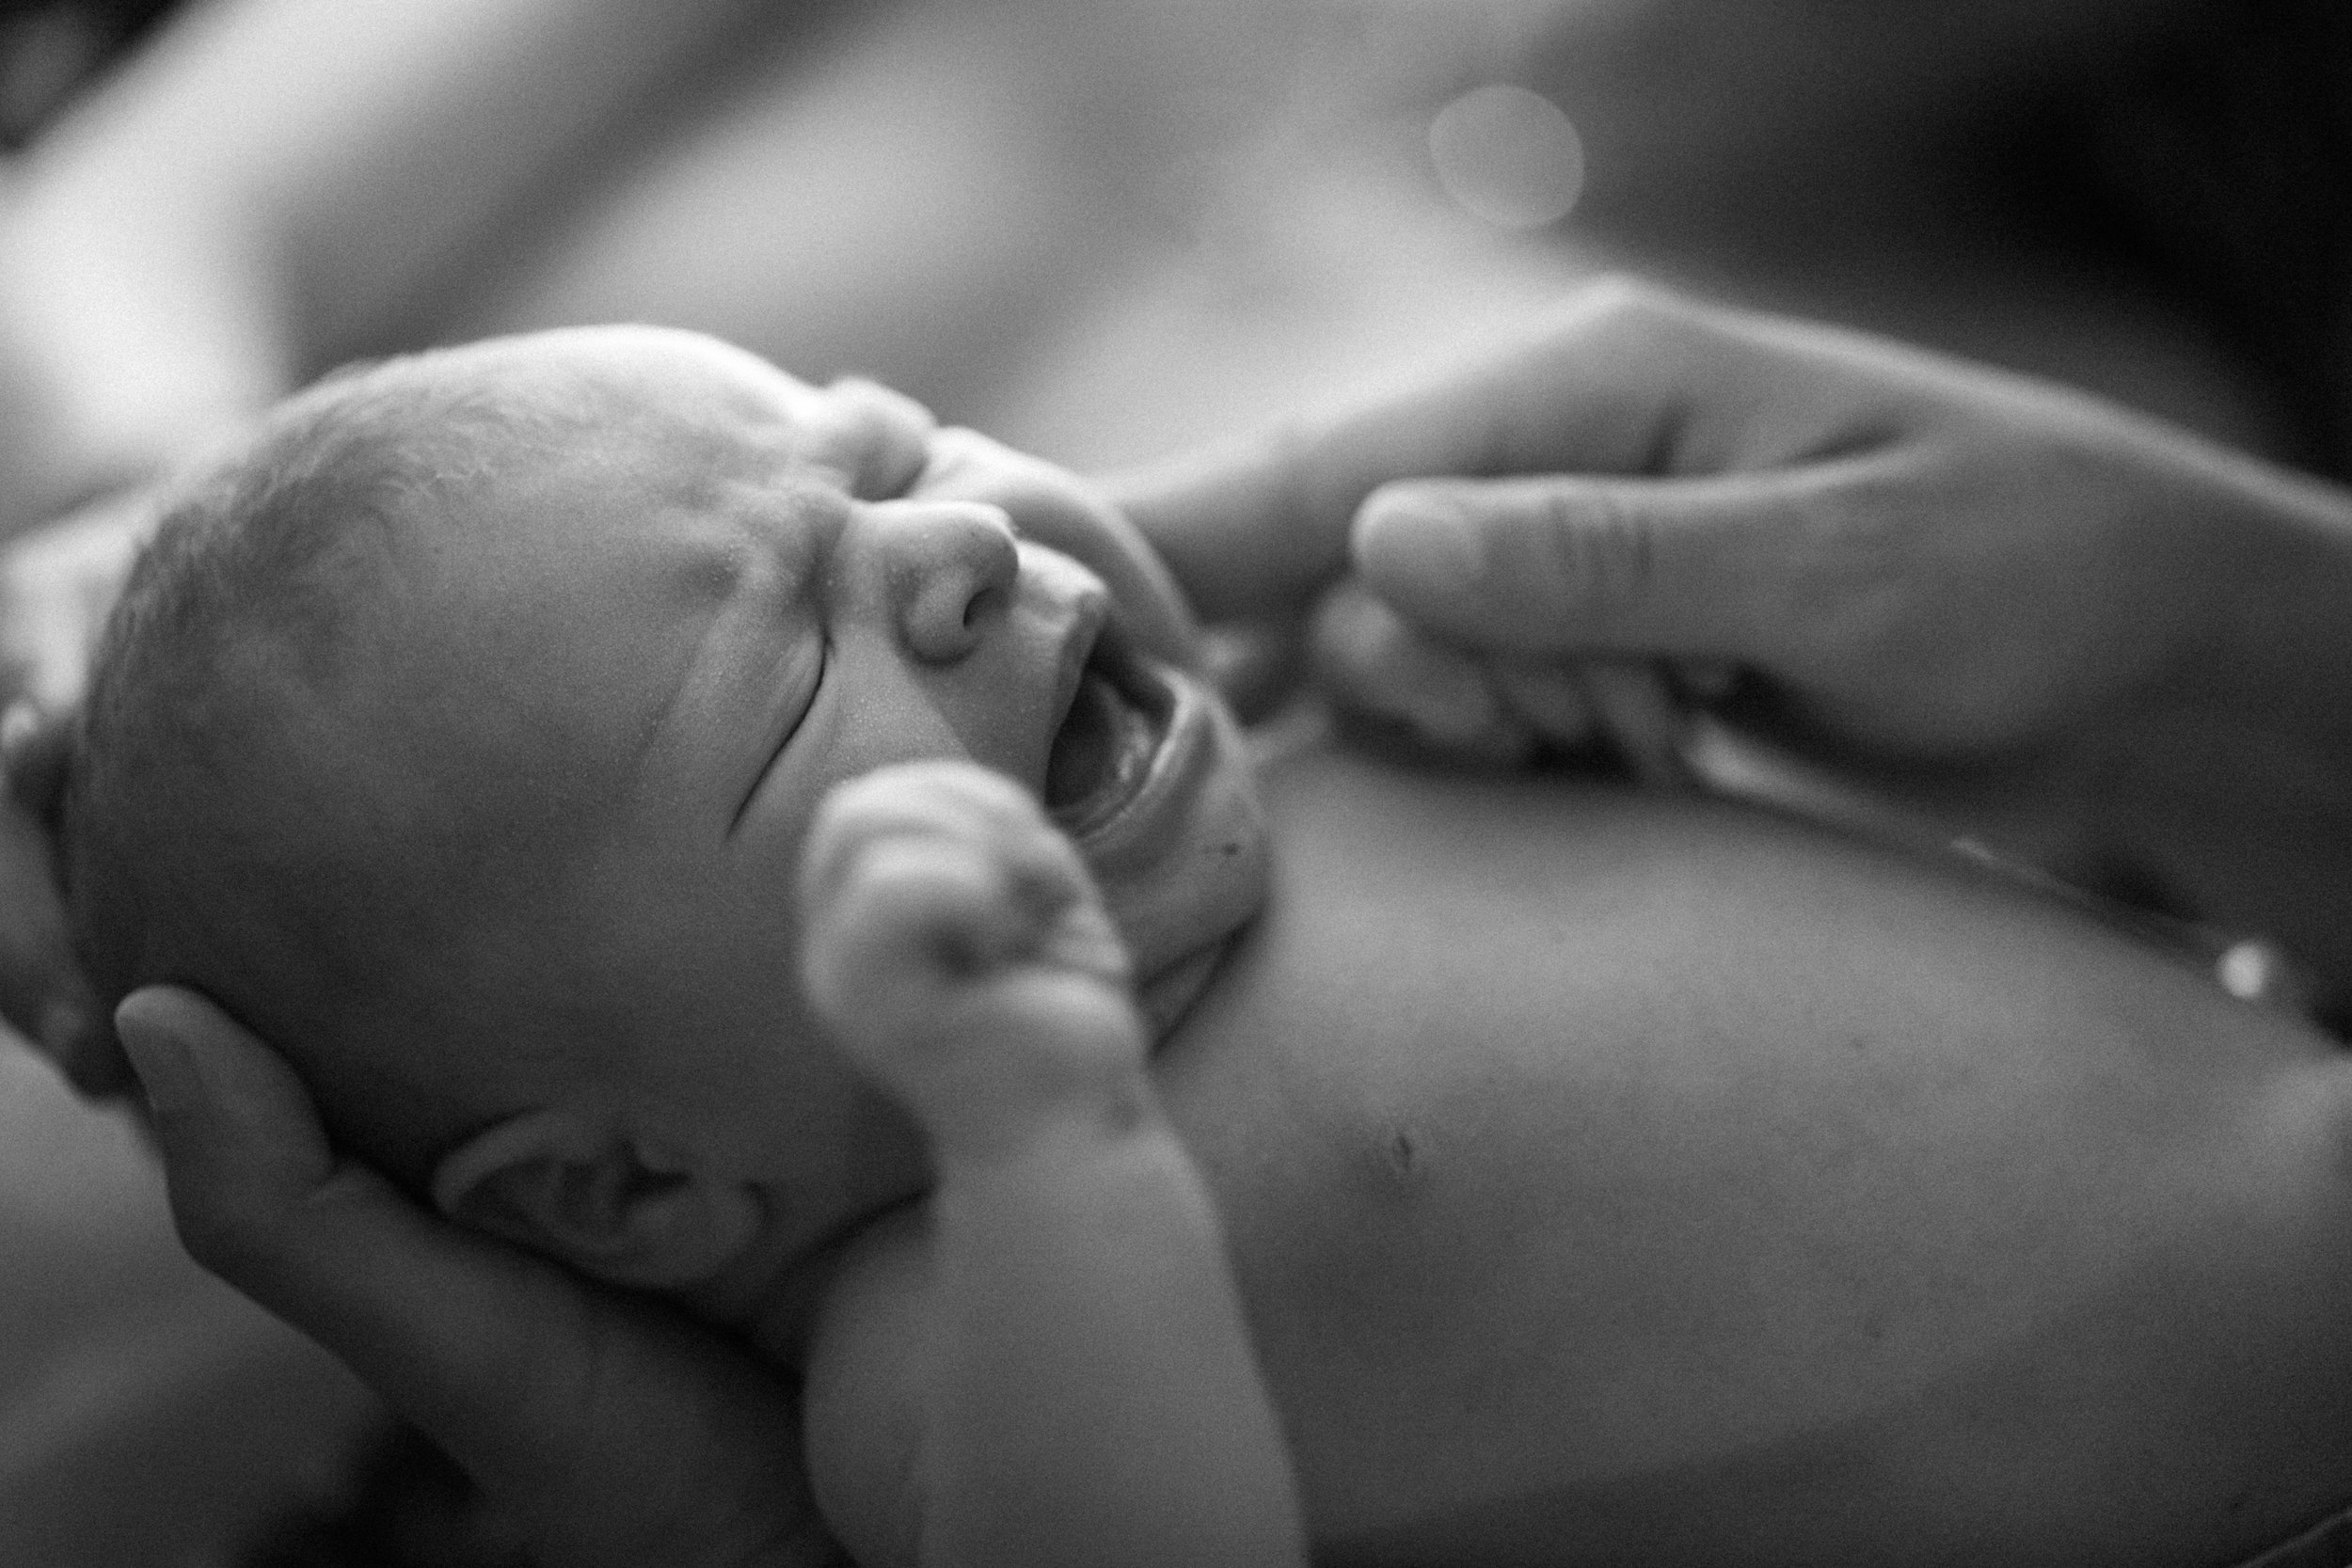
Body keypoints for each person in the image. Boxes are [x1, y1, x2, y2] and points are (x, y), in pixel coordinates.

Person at [64, 321, 2352, 1566]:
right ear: (635, 1190)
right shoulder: (943, 1324)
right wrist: (1043, 1141)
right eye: (772, 682)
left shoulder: (1316, 741)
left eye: (883, 456)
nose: (944, 551)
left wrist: (1644, 760)